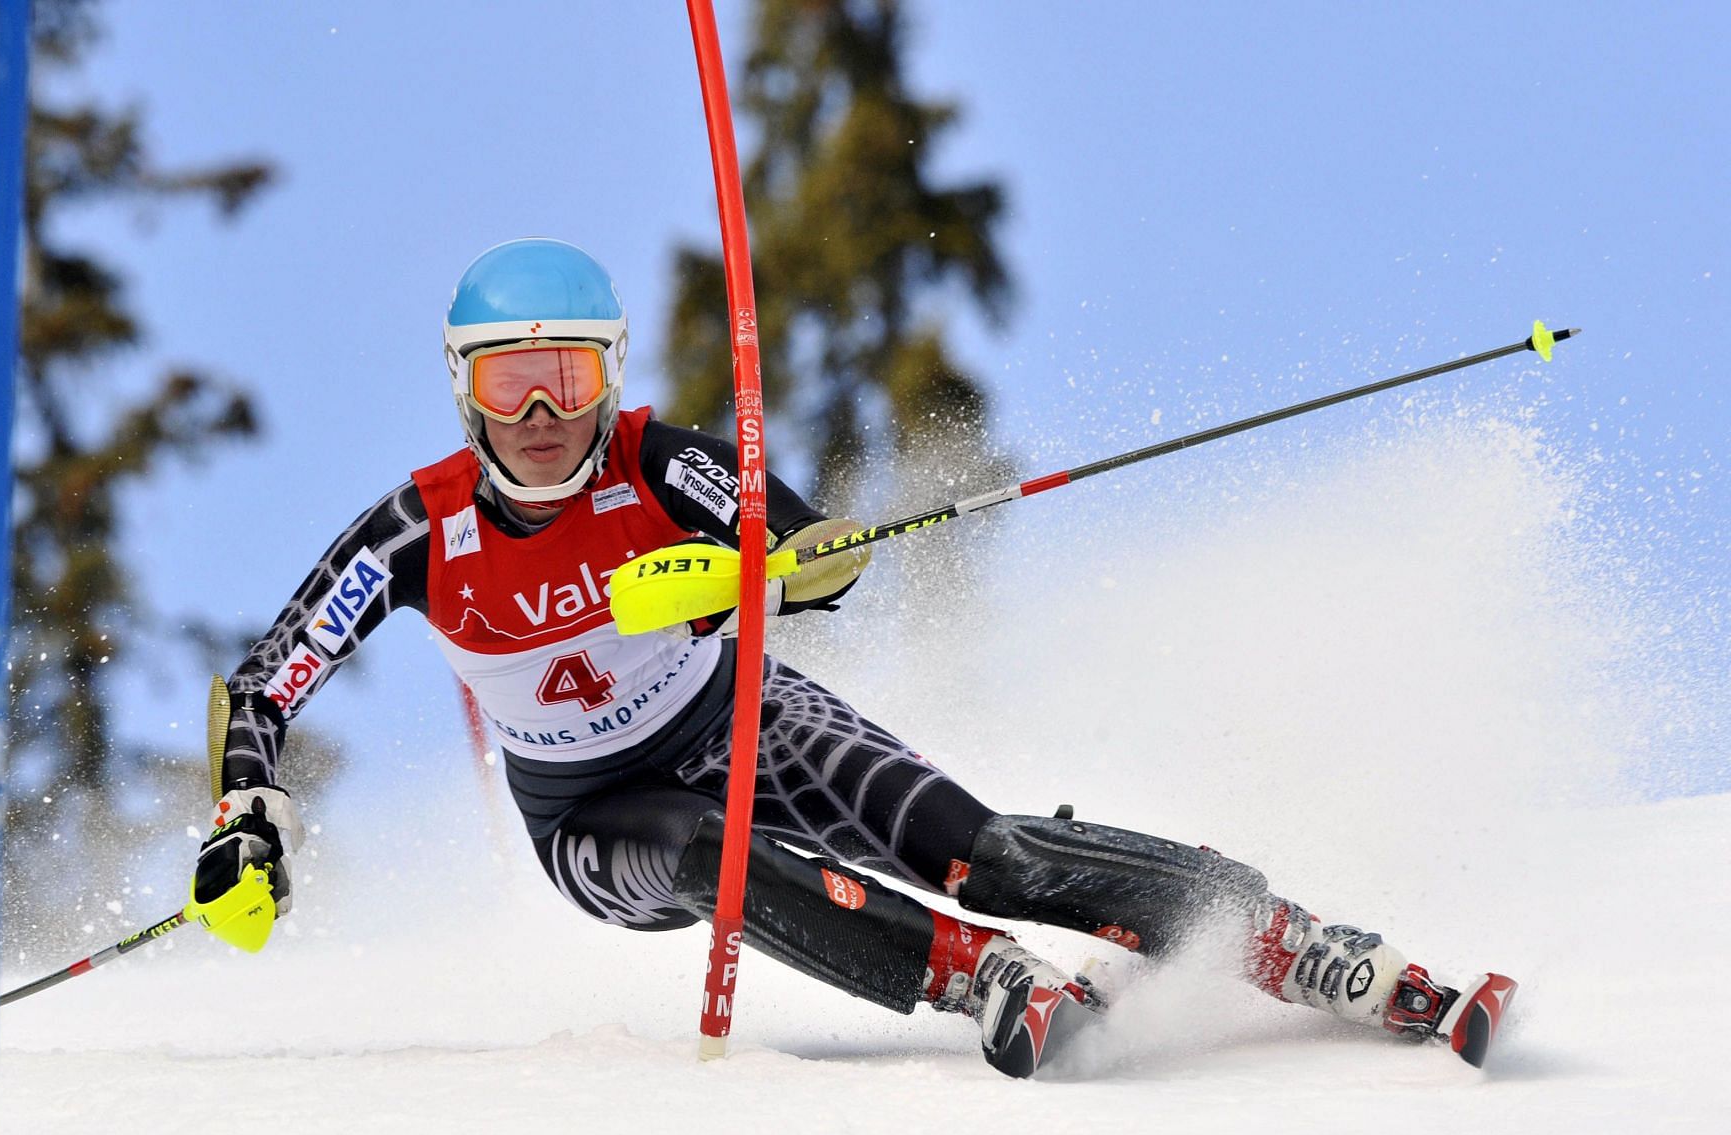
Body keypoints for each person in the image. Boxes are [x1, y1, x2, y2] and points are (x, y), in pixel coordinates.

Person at [185, 238, 1516, 1078]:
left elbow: (831, 552)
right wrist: (250, 818)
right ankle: (976, 975)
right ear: (461, 387)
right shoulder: (421, 529)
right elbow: (269, 681)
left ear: (611, 374)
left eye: (570, 379)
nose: (540, 416)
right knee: (715, 858)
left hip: (741, 709)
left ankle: (1285, 939)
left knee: (988, 849)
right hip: (591, 813)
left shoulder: (665, 459)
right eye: (506, 382)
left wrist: (752, 565)